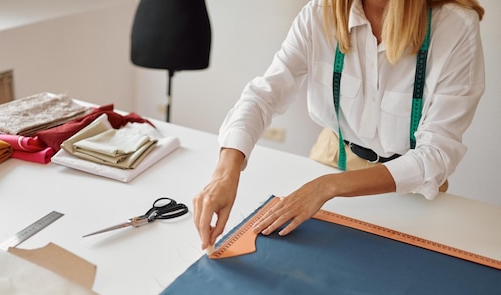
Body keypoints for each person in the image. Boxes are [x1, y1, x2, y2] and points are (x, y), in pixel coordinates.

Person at [193, 0, 485, 251]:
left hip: (412, 186)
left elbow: (435, 155)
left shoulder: (455, 26)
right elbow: (263, 96)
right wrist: (225, 173)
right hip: (332, 159)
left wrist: (327, 187)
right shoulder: (319, 14)